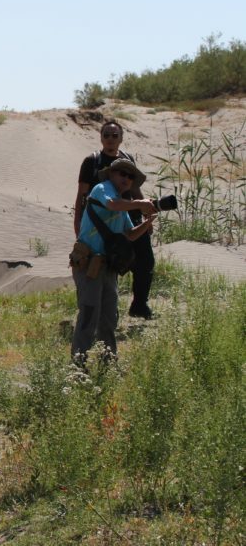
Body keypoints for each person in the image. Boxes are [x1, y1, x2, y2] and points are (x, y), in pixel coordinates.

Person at [70, 158, 156, 365]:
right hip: (89, 265)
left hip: (108, 267)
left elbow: (129, 235)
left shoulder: (122, 201)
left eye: (130, 176)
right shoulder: (102, 189)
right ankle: (79, 365)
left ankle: (108, 363)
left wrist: (147, 223)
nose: (126, 178)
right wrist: (140, 203)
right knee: (89, 315)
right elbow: (112, 205)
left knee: (109, 318)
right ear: (111, 174)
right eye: (122, 173)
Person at [74, 121, 156, 319]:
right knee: (108, 261)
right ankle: (103, 312)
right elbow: (81, 195)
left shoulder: (127, 160)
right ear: (101, 138)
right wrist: (77, 222)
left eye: (114, 135)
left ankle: (139, 305)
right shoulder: (92, 161)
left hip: (128, 217)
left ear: (121, 139)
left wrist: (146, 213)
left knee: (145, 261)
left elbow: (135, 190)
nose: (110, 139)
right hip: (99, 224)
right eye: (107, 135)